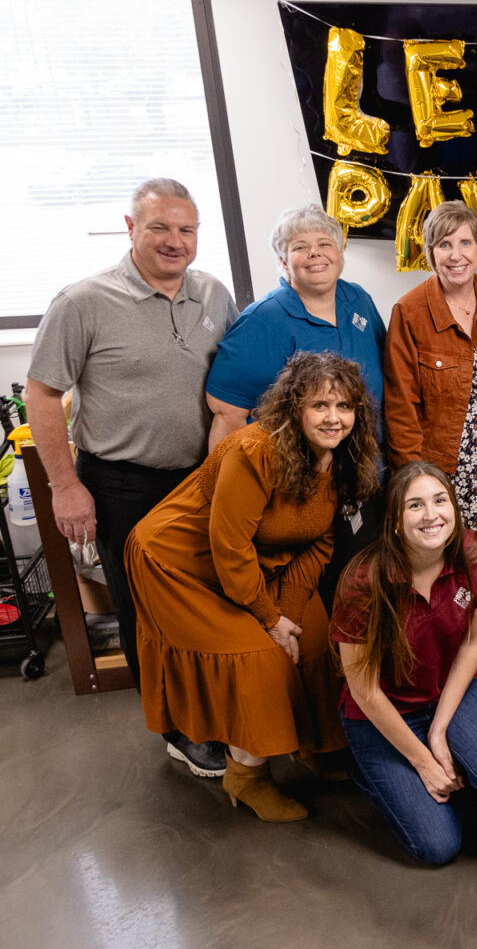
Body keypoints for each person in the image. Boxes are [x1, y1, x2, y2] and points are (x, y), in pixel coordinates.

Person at [27, 177, 237, 777]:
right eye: (160, 228)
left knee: (206, 601)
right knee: (145, 611)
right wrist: (66, 486)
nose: (175, 241)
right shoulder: (84, 302)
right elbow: (43, 394)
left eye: (186, 230)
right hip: (123, 484)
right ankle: (177, 729)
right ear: (130, 229)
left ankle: (214, 709)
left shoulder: (214, 295)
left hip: (201, 480)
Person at [128, 352, 382, 821]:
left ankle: (312, 744)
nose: (333, 418)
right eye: (319, 405)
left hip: (261, 565)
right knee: (259, 661)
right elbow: (228, 545)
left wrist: (286, 616)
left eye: (344, 407)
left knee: (313, 638)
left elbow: (320, 543)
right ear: (294, 408)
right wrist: (268, 620)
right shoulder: (255, 450)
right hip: (181, 564)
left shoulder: (344, 457)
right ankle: (246, 776)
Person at [331, 461, 477, 865]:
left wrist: (439, 733)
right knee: (438, 847)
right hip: (385, 709)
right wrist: (424, 762)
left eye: (440, 500)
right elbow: (364, 690)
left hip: (450, 690)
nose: (431, 515)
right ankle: (367, 767)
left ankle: (452, 757)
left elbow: (473, 644)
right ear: (393, 522)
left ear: (454, 508)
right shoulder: (363, 581)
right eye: (415, 506)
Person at [383, 200, 477, 556]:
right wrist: (413, 482)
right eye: (444, 245)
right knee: (443, 561)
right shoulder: (409, 311)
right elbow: (400, 405)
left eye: (465, 243)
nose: (456, 256)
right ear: (430, 252)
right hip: (440, 469)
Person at [205, 204, 385, 445]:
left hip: (370, 466)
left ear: (339, 254)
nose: (315, 252)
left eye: (324, 243)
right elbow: (227, 413)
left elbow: (387, 370)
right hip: (296, 473)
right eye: (300, 247)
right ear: (284, 262)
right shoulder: (262, 321)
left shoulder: (358, 300)